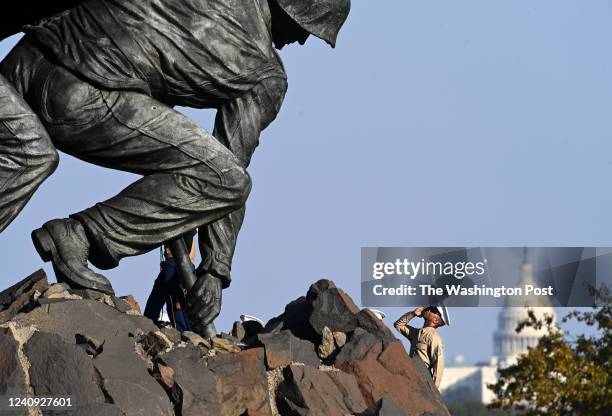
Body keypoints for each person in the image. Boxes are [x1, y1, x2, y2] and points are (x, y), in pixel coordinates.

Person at [0, 0, 351, 336]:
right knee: (225, 180)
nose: (303, 39)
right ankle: (80, 236)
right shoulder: (265, 73)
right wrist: (215, 270)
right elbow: (232, 161)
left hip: (22, 62)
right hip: (79, 98)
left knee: (29, 156)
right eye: (306, 28)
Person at [143, 231, 197, 332]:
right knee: (159, 299)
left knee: (175, 302)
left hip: (175, 265)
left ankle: (185, 333)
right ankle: (147, 322)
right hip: (176, 265)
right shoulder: (191, 226)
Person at [394, 306, 446, 388]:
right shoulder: (417, 333)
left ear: (436, 320)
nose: (428, 310)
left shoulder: (434, 337)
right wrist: (413, 314)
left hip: (422, 377)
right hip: (409, 374)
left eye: (432, 310)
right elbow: (398, 325)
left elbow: (438, 364)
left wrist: (434, 389)